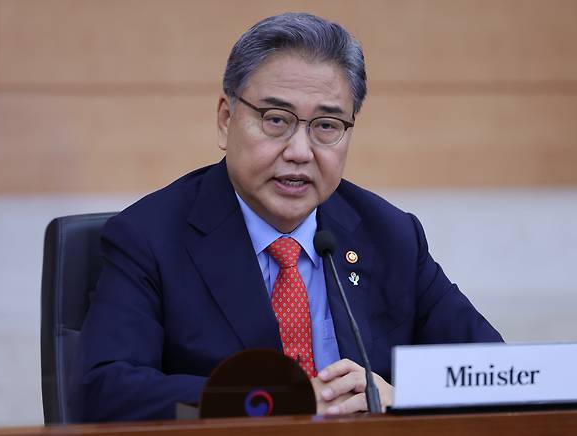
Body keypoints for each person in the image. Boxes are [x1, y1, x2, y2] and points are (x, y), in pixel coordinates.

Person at [73, 12, 502, 422]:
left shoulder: (390, 235)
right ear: (226, 120)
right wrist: (270, 401)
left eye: (327, 125)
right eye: (276, 120)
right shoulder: (150, 237)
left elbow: (497, 373)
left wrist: (405, 396)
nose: (299, 151)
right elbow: (106, 391)